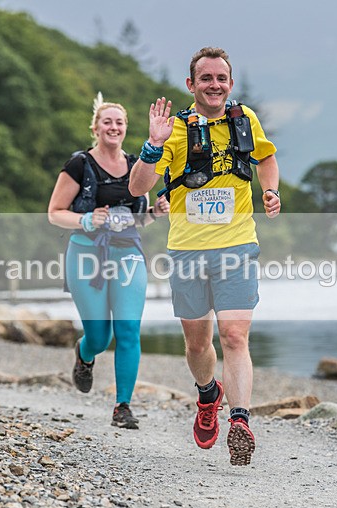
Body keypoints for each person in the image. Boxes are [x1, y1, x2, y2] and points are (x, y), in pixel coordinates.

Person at [129, 47, 281, 465]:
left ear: (230, 83)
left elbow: (266, 157)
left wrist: (271, 190)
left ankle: (240, 420)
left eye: (222, 78)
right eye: (206, 78)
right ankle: (207, 394)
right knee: (198, 344)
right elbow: (138, 188)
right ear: (191, 84)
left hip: (237, 244)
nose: (215, 85)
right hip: (187, 250)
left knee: (234, 335)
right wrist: (152, 145)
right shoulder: (174, 130)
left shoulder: (243, 119)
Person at [48, 93, 169, 430]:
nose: (113, 127)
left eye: (119, 122)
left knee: (128, 329)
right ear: (96, 128)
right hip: (86, 252)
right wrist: (87, 220)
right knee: (99, 337)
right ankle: (85, 356)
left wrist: (155, 213)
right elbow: (55, 213)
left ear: (125, 128)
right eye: (107, 121)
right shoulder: (79, 165)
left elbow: (139, 219)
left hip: (127, 252)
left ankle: (122, 406)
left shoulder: (137, 166)